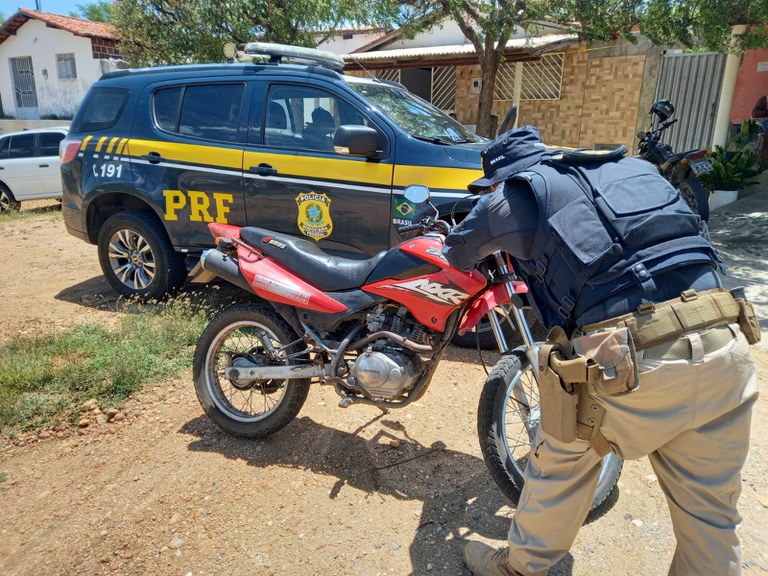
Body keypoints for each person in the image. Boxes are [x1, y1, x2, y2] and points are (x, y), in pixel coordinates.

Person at [443, 126, 759, 576]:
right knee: (711, 513)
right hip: (724, 338)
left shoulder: (510, 197)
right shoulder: (636, 169)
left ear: (500, 177)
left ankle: (516, 567)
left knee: (560, 461)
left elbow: (457, 252)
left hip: (631, 359)